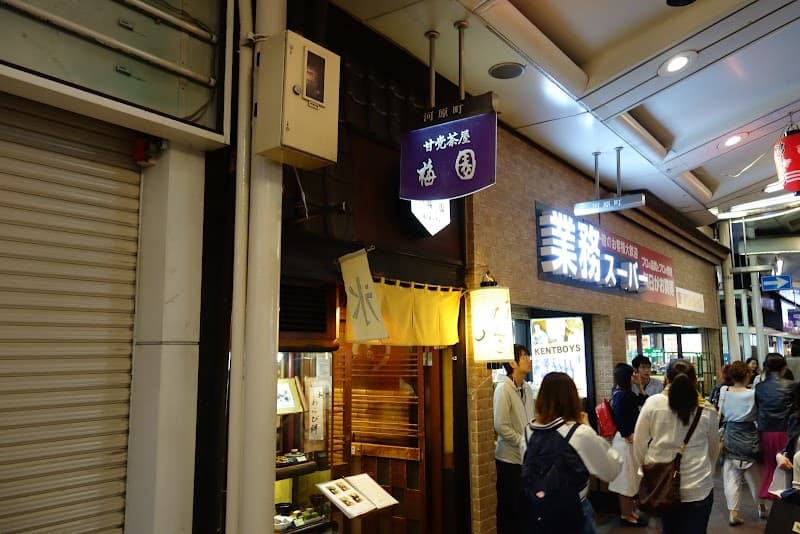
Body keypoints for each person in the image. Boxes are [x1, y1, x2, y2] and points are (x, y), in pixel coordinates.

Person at [525, 372, 622, 534]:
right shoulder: (579, 432)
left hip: (539, 510)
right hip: (574, 511)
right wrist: (589, 428)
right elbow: (611, 470)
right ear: (572, 398)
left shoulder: (528, 430)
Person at [633, 359, 719, 534]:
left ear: (666, 379)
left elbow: (639, 443)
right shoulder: (707, 409)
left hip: (662, 483)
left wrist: (646, 469)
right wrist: (707, 470)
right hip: (698, 485)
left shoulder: (653, 403)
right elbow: (714, 449)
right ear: (695, 381)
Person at [493, 344, 535, 534]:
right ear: (512, 362)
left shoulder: (527, 388)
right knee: (510, 509)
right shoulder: (503, 389)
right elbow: (500, 425)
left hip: (527, 458)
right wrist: (522, 441)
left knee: (525, 508)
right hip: (508, 460)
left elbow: (531, 419)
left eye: (528, 355)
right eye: (524, 356)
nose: (528, 359)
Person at [719, 361, 766, 525]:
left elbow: (721, 413)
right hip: (749, 435)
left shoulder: (724, 391)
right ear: (747, 375)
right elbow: (759, 415)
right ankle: (761, 507)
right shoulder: (753, 394)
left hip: (731, 434)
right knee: (755, 476)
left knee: (730, 475)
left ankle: (733, 512)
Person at [608, 363, 647, 527]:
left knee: (630, 479)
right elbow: (621, 419)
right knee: (625, 480)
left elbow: (643, 401)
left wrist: (639, 385)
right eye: (632, 375)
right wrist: (628, 436)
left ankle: (630, 512)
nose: (635, 377)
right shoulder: (621, 396)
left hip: (627, 441)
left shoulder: (623, 393)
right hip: (625, 442)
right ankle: (626, 515)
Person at [755, 352, 794, 501]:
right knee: (786, 466)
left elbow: (758, 408)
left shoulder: (759, 387)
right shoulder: (792, 386)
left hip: (766, 431)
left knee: (770, 464)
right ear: (784, 368)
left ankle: (769, 491)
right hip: (786, 430)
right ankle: (784, 494)